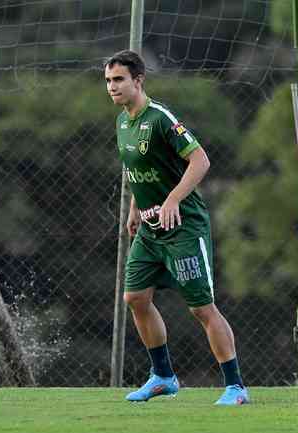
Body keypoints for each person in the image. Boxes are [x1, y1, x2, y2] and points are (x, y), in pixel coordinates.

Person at [104, 49, 249, 405]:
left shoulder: (160, 118)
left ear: (138, 80)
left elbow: (200, 160)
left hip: (184, 226)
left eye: (119, 79)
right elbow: (137, 168)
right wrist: (136, 207)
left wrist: (171, 201)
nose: (112, 87)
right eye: (108, 81)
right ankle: (163, 377)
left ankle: (235, 387)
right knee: (135, 298)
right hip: (151, 227)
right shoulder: (123, 122)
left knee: (201, 308)